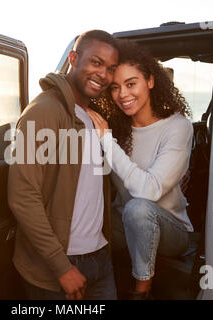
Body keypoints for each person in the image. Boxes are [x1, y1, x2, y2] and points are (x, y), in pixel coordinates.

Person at [7, 30, 119, 300]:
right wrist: (61, 267)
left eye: (110, 68)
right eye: (96, 62)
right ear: (73, 58)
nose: (103, 74)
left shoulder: (91, 116)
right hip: (59, 267)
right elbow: (22, 196)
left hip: (99, 257)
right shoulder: (44, 111)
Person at [87, 40, 194, 299]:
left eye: (131, 83)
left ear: (150, 81)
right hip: (123, 225)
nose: (123, 94)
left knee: (139, 208)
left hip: (171, 229)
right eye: (115, 87)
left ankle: (140, 293)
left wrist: (106, 141)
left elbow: (149, 190)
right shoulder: (116, 128)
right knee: (87, 218)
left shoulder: (177, 127)